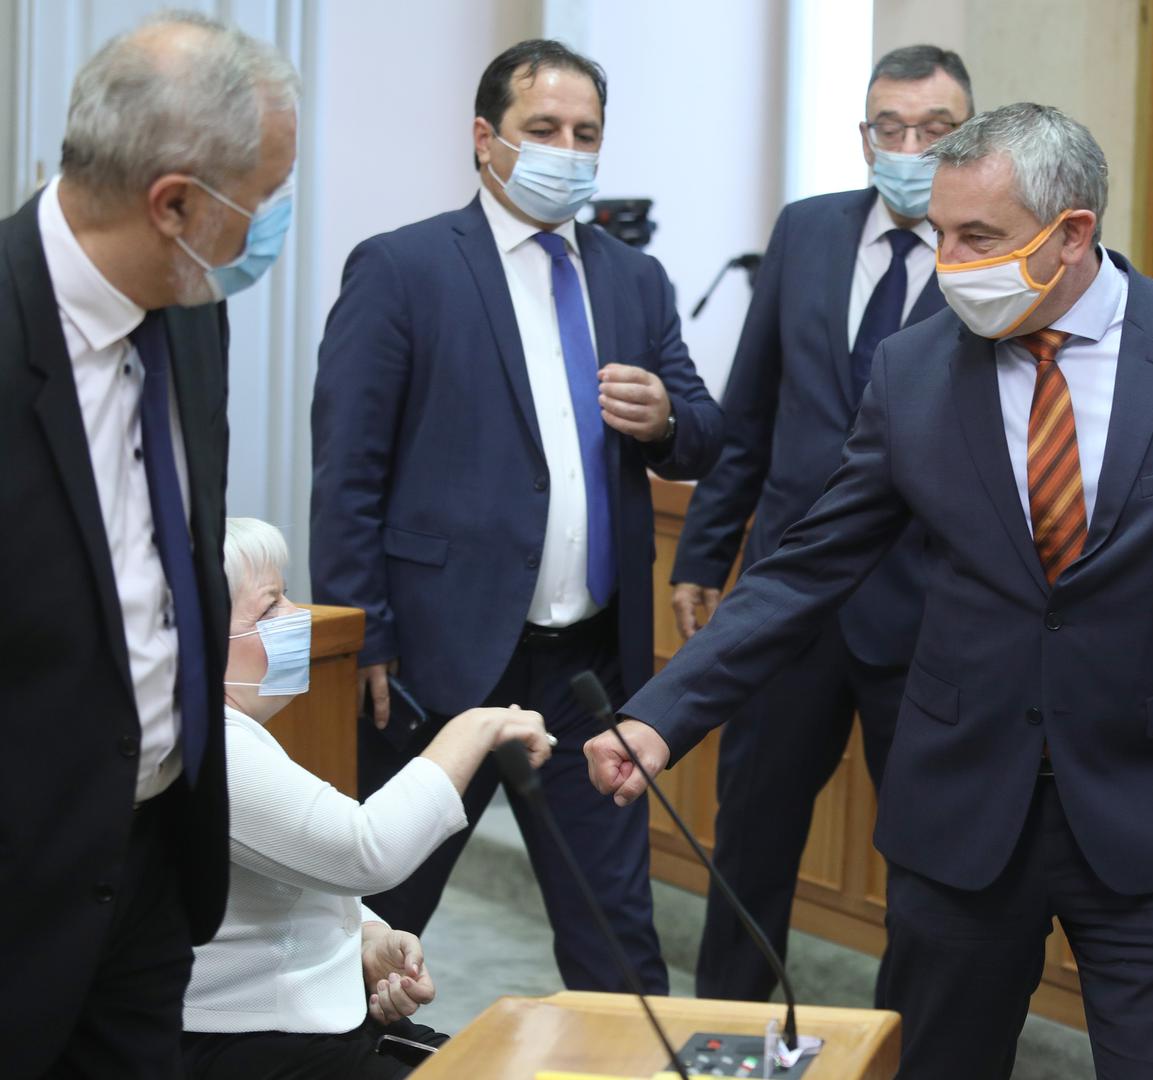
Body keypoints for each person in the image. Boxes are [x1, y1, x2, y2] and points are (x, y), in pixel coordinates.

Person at [586, 104, 1153, 1078]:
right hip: (960, 812)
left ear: (1072, 234)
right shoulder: (913, 368)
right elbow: (806, 565)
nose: (950, 265)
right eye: (941, 235)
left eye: (979, 237)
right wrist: (663, 714)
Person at [311, 38, 723, 996]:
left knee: (618, 942)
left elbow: (705, 435)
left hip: (588, 672)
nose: (567, 151)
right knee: (376, 922)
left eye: (586, 133)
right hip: (435, 662)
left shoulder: (634, 279)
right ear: (485, 138)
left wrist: (666, 418)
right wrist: (368, 633)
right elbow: (349, 470)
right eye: (545, 128)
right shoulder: (404, 267)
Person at [0, 13, 297, 1077]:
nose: (272, 228)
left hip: (154, 866)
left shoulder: (193, 309)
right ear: (174, 205)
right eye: (263, 200)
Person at [670, 44, 972, 1003]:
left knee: (926, 859)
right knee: (750, 834)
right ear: (865, 136)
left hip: (926, 611)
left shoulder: (989, 255)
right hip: (789, 599)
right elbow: (751, 408)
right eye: (892, 127)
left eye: (936, 129)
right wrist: (704, 553)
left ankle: (904, 1046)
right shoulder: (806, 230)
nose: (911, 147)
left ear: (969, 137)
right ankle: (727, 1036)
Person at [181, 518, 553, 1078]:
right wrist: (473, 729)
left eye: (287, 595)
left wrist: (368, 938)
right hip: (247, 1045)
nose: (296, 615)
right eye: (269, 606)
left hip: (310, 1024)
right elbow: (363, 851)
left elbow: (285, 872)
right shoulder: (211, 745)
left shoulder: (230, 731)